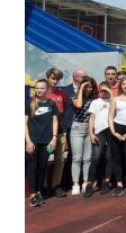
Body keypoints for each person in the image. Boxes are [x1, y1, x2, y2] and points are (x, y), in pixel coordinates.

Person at [25, 80, 59, 206]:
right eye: (37, 88)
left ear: (46, 89)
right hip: (33, 141)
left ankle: (39, 192)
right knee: (32, 168)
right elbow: (24, 124)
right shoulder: (30, 103)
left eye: (42, 88)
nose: (39, 90)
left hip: (47, 141)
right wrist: (28, 141)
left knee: (41, 167)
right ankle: (33, 195)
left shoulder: (51, 103)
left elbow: (55, 122)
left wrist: (54, 138)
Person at [69, 77, 98, 196]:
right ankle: (76, 183)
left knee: (87, 158)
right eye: (86, 86)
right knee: (77, 158)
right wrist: (81, 89)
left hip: (90, 129)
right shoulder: (74, 97)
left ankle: (86, 182)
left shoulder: (95, 100)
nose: (89, 89)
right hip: (77, 128)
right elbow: (79, 105)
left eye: (90, 87)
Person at [44, 68, 68, 197]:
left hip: (60, 131)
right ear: (47, 77)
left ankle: (56, 185)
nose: (55, 81)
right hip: (45, 132)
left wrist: (64, 132)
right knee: (45, 159)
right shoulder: (42, 93)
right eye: (53, 78)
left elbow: (64, 114)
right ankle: (43, 187)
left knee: (60, 160)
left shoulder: (61, 94)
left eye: (57, 79)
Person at [87, 82, 113, 197]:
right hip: (99, 132)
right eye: (102, 90)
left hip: (111, 131)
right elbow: (91, 118)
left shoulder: (113, 101)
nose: (104, 92)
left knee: (109, 157)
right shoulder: (95, 102)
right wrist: (91, 133)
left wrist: (110, 93)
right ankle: (89, 184)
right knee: (96, 158)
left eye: (106, 90)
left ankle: (106, 182)